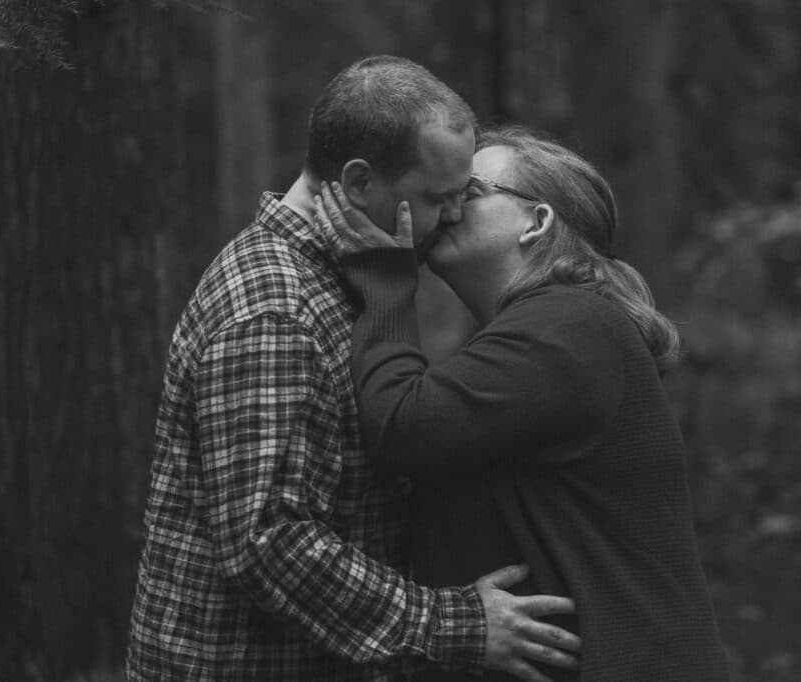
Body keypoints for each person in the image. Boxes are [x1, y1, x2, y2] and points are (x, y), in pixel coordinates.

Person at [126, 58, 581, 682]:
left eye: (462, 195)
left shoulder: (342, 282)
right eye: (436, 198)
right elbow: (268, 542)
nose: (454, 217)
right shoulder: (275, 309)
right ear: (359, 181)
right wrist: (457, 628)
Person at [315, 125, 732, 680]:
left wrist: (388, 286)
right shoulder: (552, 327)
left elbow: (402, 427)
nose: (450, 205)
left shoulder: (566, 327)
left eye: (472, 191)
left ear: (537, 223)